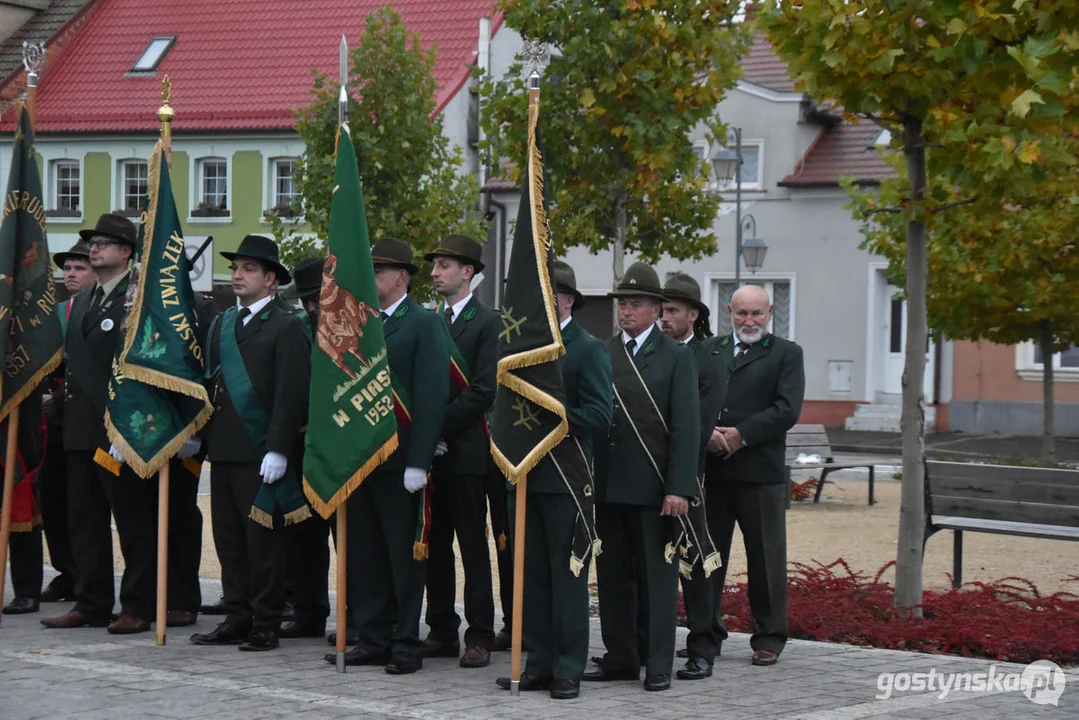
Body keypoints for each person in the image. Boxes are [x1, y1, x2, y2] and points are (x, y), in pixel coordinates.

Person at [325, 237, 449, 674]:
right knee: (363, 553)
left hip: (400, 462)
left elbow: (432, 396)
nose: (369, 278)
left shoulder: (423, 324)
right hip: (358, 457)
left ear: (401, 277)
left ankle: (406, 643)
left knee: (403, 557)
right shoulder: (356, 323)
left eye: (377, 271)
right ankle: (372, 637)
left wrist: (419, 460)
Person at [496, 260, 612, 699]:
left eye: (548, 295)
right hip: (523, 476)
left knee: (567, 581)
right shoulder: (520, 347)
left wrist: (553, 418)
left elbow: (600, 417)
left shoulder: (587, 348)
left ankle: (567, 668)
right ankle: (538, 663)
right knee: (530, 580)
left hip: (565, 481)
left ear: (566, 300)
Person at [191, 235, 311, 652]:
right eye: (236, 268)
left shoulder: (287, 324)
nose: (237, 275)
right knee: (228, 539)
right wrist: (198, 436)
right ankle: (237, 615)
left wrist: (278, 448)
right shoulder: (224, 323)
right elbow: (213, 384)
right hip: (224, 448)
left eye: (248, 269)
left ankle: (266, 622)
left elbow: (291, 393)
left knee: (263, 543)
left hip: (262, 454)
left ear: (272, 280)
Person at [585, 261, 700, 692]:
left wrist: (680, 488)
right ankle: (620, 656)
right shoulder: (605, 351)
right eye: (623, 304)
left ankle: (657, 663)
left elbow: (687, 428)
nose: (626, 312)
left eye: (636, 305)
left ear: (655, 309)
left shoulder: (675, 357)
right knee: (613, 578)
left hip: (654, 488)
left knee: (656, 580)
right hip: (610, 485)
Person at [40, 214, 157, 633]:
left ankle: (138, 606)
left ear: (126, 251)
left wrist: (130, 427)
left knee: (131, 521)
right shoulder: (85, 300)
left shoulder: (138, 298)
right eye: (92, 242)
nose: (93, 249)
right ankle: (91, 602)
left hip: (120, 429)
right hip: (82, 428)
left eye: (104, 243)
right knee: (85, 521)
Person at [704, 284, 805, 667]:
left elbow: (786, 409)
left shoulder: (786, 354)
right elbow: (692, 398)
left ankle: (769, 637)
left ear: (770, 313)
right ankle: (705, 633)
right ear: (728, 311)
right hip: (712, 471)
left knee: (765, 558)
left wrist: (740, 435)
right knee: (708, 559)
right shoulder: (708, 350)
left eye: (757, 313)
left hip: (759, 473)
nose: (749, 320)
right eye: (742, 313)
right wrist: (706, 432)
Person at [423, 235, 499, 668]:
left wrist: (435, 425)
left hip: (468, 453)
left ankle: (480, 635)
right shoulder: (428, 320)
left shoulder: (487, 321)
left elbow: (484, 391)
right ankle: (440, 628)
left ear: (467, 272)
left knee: (471, 547)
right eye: (435, 266)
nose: (435, 272)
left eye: (444, 265)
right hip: (429, 456)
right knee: (432, 545)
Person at [660, 273, 724, 680]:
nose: (665, 318)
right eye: (662, 310)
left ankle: (702, 645)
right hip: (646, 472)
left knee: (696, 562)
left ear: (694, 315)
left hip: (690, 474)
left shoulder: (708, 357)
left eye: (673, 311)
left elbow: (700, 420)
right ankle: (646, 643)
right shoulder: (650, 352)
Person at [36, 239, 95, 605]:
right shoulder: (54, 314)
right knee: (54, 503)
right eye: (67, 269)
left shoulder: (109, 310)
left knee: (85, 508)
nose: (70, 275)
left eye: (79, 268)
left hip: (88, 420)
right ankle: (67, 572)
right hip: (52, 426)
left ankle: (88, 577)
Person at [277, 256, 332, 639]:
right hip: (302, 448)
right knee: (304, 538)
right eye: (307, 301)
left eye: (317, 300)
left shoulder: (354, 330)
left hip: (342, 446)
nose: (311, 308)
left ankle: (360, 617)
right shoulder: (297, 330)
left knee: (352, 541)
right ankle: (308, 612)